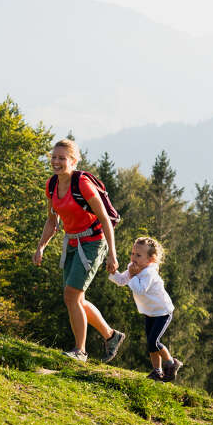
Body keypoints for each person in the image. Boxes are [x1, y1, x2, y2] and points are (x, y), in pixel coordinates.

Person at [33, 139, 125, 362]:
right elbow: (52, 221)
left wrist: (112, 254)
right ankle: (111, 335)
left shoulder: (82, 184)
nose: (56, 162)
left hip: (93, 242)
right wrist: (40, 247)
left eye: (62, 158)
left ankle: (80, 351)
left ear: (73, 161)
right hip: (72, 242)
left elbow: (104, 219)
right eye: (54, 157)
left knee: (71, 295)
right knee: (76, 298)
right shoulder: (51, 185)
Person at [109, 237, 182, 381]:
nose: (133, 258)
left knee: (154, 341)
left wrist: (132, 274)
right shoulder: (134, 268)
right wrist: (113, 272)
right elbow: (122, 281)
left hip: (162, 312)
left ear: (150, 259)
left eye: (138, 255)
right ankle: (157, 371)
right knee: (150, 343)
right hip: (150, 313)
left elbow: (140, 289)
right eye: (133, 253)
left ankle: (172, 363)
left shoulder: (149, 272)